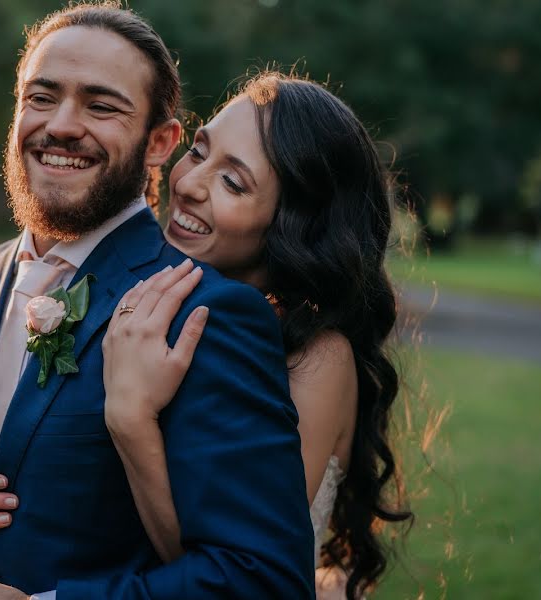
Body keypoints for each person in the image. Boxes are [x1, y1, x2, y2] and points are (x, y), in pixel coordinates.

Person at [0, 3, 314, 600]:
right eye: (41, 97)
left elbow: (263, 579)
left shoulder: (206, 314)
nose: (62, 125)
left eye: (101, 105)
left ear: (159, 142)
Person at [101, 72, 413, 599]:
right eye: (199, 152)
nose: (189, 184)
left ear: (295, 225)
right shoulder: (163, 303)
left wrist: (131, 421)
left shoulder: (318, 359)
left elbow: (241, 572)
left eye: (234, 182)